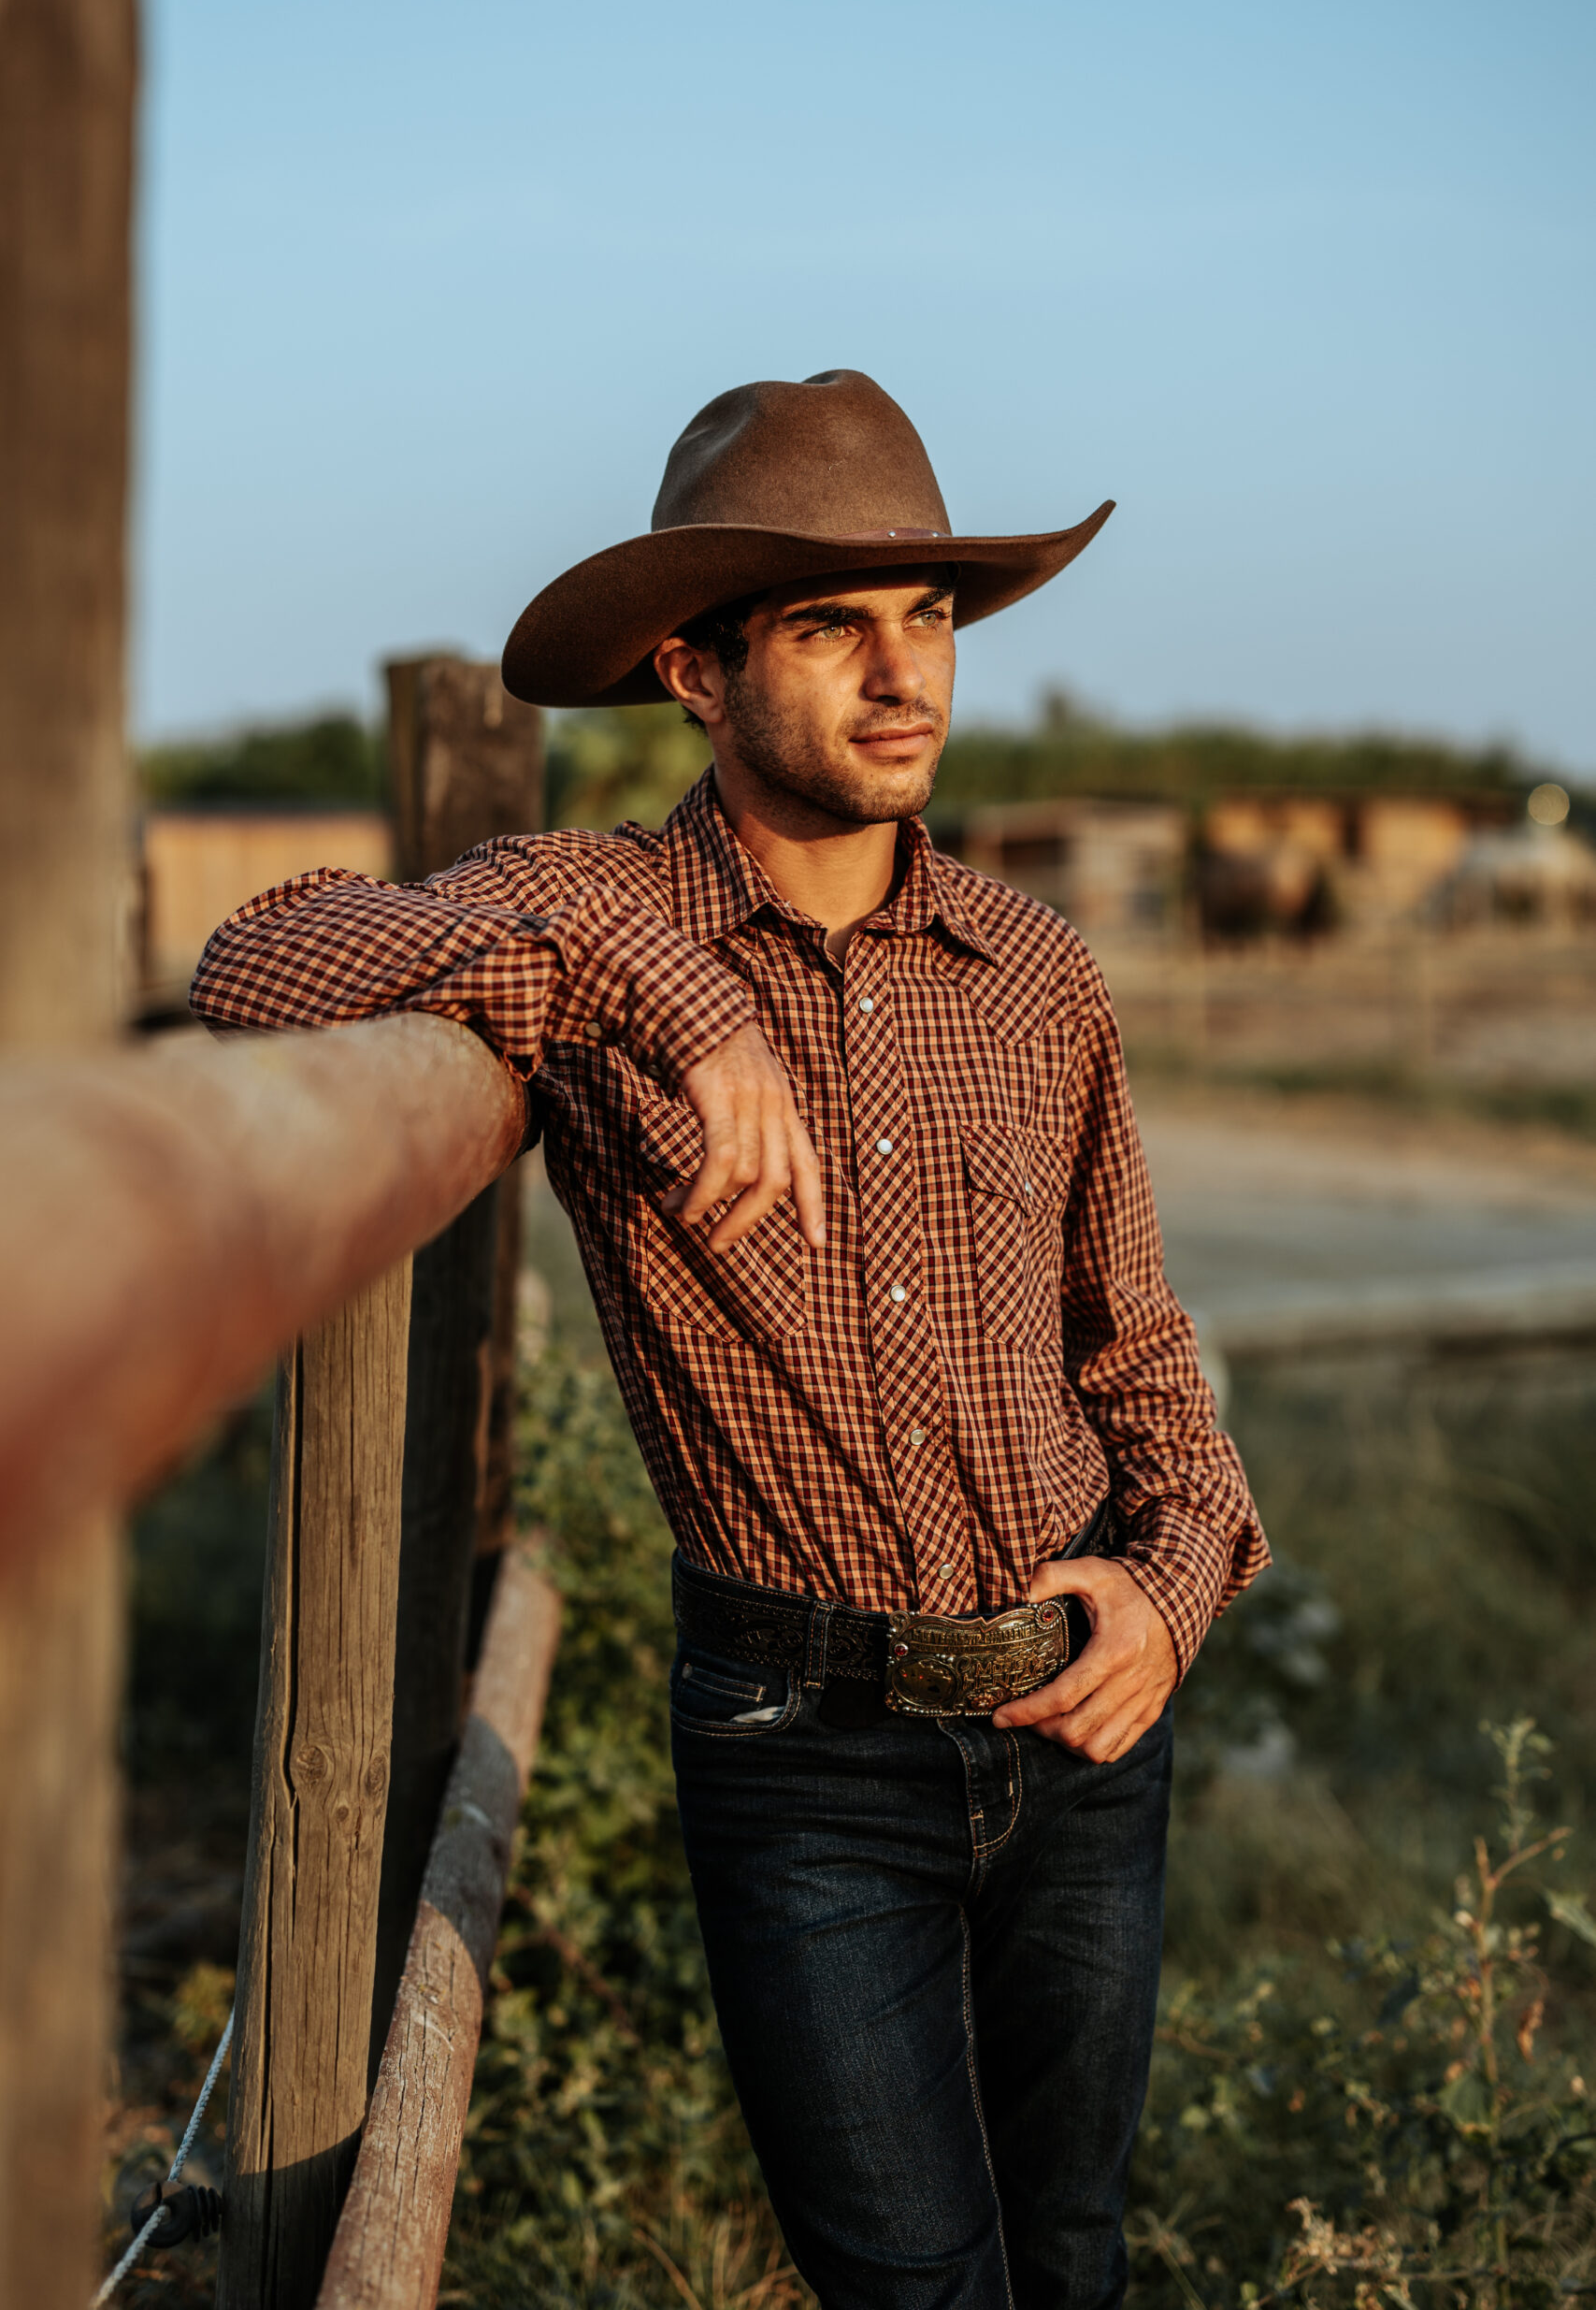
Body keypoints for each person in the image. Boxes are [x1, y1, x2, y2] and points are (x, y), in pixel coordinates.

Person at [194, 368, 1268, 2310]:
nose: (900, 674)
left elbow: (1137, 1347)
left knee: (1078, 2256)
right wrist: (664, 991)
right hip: (806, 1753)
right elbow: (255, 957)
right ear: (695, 671)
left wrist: (1173, 1589)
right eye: (830, 626)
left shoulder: (1034, 973)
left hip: (1081, 1713)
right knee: (914, 2287)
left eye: (926, 616)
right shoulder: (585, 927)